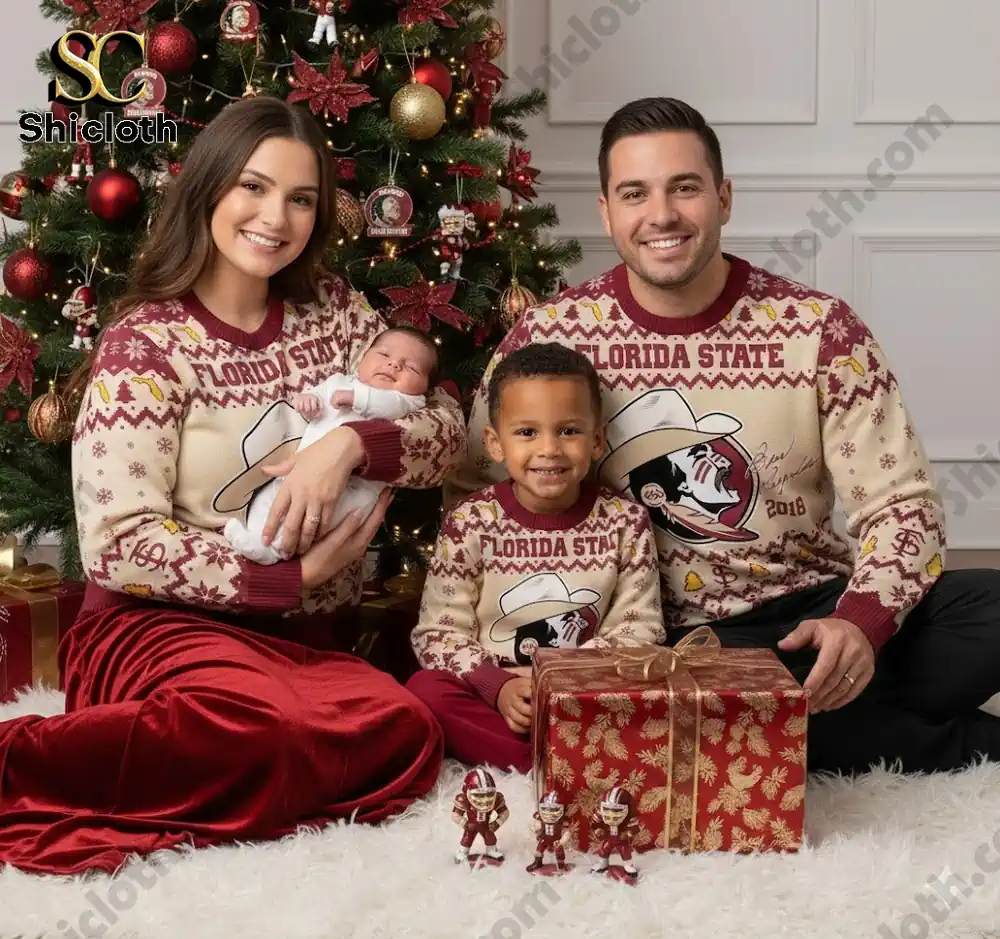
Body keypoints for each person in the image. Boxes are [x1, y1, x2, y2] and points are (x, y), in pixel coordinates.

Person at [448, 96, 1000, 777]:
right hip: (640, 642)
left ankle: (784, 722)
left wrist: (859, 623)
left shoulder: (819, 329)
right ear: (606, 212)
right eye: (635, 193)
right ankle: (926, 741)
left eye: (685, 187)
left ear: (724, 196)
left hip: (803, 616)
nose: (662, 215)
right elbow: (475, 494)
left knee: (988, 611)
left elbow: (903, 506)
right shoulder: (549, 336)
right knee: (711, 704)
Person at [0, 95, 466, 876]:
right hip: (151, 631)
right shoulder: (145, 343)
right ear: (211, 187)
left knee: (404, 729)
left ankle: (238, 758)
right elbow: (121, 547)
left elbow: (446, 436)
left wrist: (351, 441)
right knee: (264, 729)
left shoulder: (339, 316)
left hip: (298, 642)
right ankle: (21, 759)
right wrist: (289, 576)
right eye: (253, 187)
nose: (274, 218)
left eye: (300, 198)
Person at [408, 343, 666, 775]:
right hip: (496, 691)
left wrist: (563, 680)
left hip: (586, 691)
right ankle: (561, 762)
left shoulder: (625, 521)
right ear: (495, 443)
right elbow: (438, 633)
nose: (549, 449)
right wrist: (499, 686)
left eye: (568, 431)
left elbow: (641, 627)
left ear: (597, 439)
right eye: (527, 432)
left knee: (653, 692)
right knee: (425, 690)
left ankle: (565, 753)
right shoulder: (471, 521)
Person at [225, 326, 439, 565]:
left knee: (331, 514)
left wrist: (357, 399)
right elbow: (315, 398)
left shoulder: (409, 400)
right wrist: (309, 401)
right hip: (300, 470)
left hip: (355, 488)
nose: (394, 365)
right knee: (273, 497)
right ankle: (259, 537)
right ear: (362, 359)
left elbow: (389, 406)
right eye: (384, 355)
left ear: (425, 386)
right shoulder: (338, 381)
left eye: (410, 367)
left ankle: (279, 551)